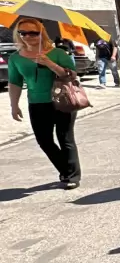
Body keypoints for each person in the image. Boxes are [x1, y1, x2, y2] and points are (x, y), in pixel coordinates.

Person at [7, 18, 81, 189]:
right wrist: (14, 105)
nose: (28, 36)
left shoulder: (58, 53)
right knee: (44, 141)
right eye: (23, 32)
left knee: (65, 138)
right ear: (18, 35)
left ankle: (72, 176)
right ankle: (67, 169)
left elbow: (71, 75)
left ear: (42, 34)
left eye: (34, 32)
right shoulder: (15, 58)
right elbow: (14, 82)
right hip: (37, 103)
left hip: (62, 100)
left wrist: (49, 63)